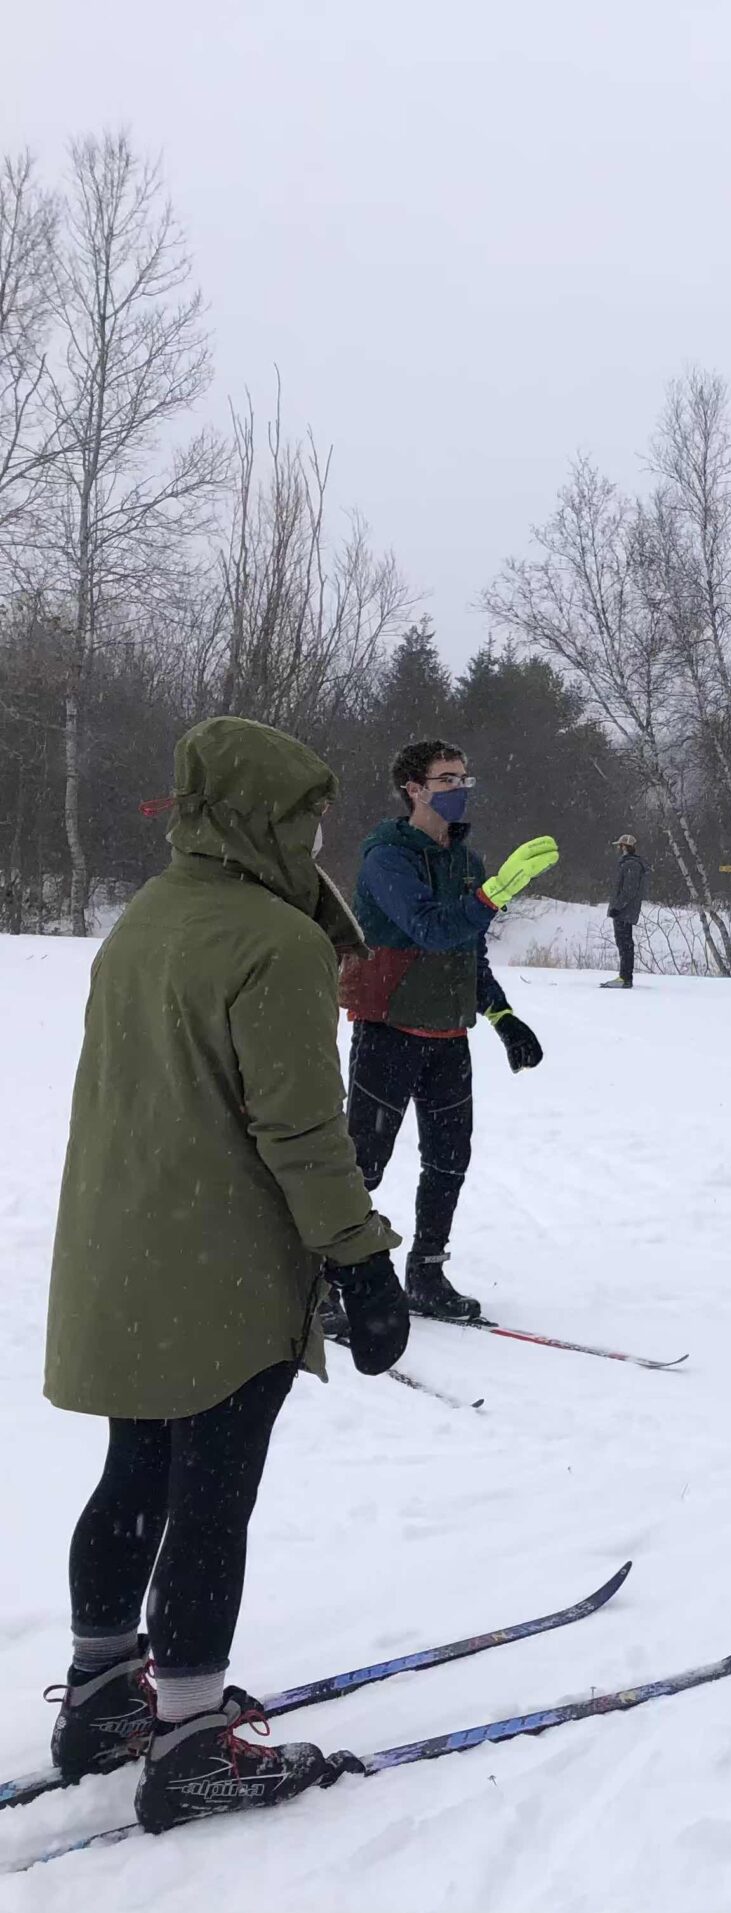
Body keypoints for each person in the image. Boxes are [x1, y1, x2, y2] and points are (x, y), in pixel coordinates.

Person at [44, 716, 413, 1830]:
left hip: (126, 1253)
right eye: (305, 817)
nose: (314, 840)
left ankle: (106, 1693)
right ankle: (193, 1740)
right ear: (262, 815)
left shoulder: (145, 920)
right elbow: (302, 1131)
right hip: (221, 1268)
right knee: (213, 1498)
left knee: (136, 1471)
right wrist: (362, 1261)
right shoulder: (277, 943)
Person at [337, 739, 559, 1323]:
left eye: (465, 775)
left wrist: (504, 1017)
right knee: (362, 1164)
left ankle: (427, 1276)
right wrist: (494, 896)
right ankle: (323, 1281)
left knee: (448, 1159)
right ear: (413, 788)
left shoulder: (467, 861)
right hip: (388, 1028)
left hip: (447, 1035)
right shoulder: (387, 857)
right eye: (446, 778)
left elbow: (467, 952)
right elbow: (431, 929)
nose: (461, 787)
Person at [603, 832, 647, 988]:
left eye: (620, 846)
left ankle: (625, 978)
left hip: (624, 912)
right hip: (624, 911)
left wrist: (617, 907)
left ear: (624, 847)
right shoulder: (627, 863)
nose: (618, 849)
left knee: (625, 943)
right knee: (623, 943)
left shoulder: (631, 865)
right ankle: (624, 977)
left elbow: (628, 890)